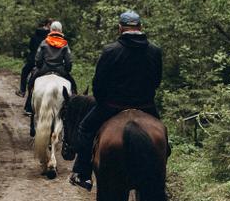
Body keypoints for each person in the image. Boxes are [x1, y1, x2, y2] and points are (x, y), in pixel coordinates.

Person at [69, 10, 162, 191]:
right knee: (163, 136)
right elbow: (156, 80)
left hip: (112, 106)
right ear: (140, 27)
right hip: (146, 106)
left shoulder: (111, 50)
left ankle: (83, 173)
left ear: (120, 28)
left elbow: (98, 83)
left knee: (85, 128)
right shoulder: (155, 50)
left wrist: (103, 101)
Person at [24, 20, 77, 114]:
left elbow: (38, 58)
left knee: (31, 83)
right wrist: (67, 69)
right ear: (61, 30)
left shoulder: (45, 42)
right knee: (73, 85)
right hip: (60, 70)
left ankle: (29, 106)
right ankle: (73, 107)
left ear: (51, 30)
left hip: (44, 69)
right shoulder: (64, 44)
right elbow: (68, 61)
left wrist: (39, 66)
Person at [19, 18, 52, 97]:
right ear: (48, 25)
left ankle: (22, 90)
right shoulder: (51, 36)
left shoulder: (36, 35)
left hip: (34, 59)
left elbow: (31, 47)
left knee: (24, 71)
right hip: (47, 60)